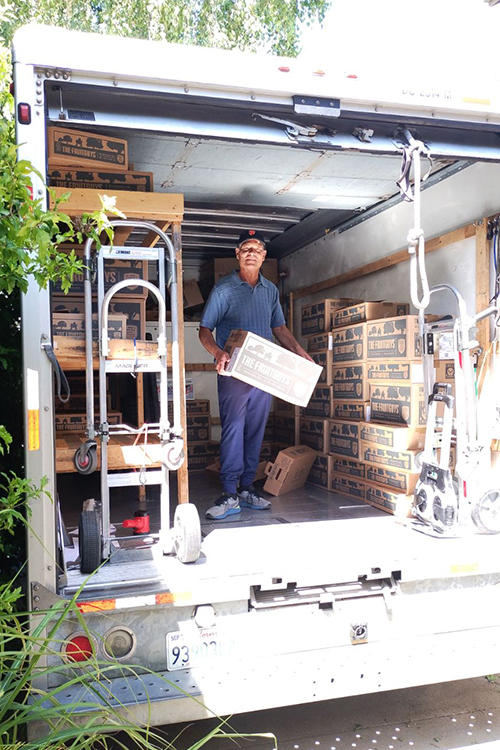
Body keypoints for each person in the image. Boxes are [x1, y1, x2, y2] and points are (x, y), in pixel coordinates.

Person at [199, 229, 313, 520]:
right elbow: (204, 330)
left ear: (264, 256)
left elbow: (279, 328)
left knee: (256, 429)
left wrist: (300, 352)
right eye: (246, 248)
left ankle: (248, 488)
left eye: (257, 249)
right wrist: (218, 353)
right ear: (237, 254)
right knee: (233, 428)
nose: (252, 253)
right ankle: (229, 493)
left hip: (263, 372)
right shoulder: (224, 289)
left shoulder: (270, 290)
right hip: (234, 372)